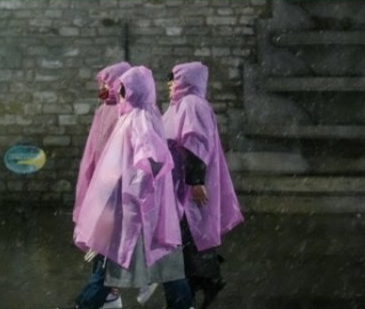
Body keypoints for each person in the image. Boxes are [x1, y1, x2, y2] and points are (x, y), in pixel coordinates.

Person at [64, 66, 193, 309]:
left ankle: (87, 304)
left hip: (134, 206)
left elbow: (151, 160)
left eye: (124, 89)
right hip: (140, 206)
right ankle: (182, 304)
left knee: (113, 260)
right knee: (162, 259)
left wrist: (137, 191)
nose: (120, 94)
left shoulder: (140, 118)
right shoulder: (140, 114)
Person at [162, 62, 243, 308]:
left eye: (174, 79)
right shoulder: (182, 105)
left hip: (186, 186)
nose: (169, 85)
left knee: (188, 236)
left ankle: (203, 282)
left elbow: (194, 143)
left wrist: (195, 181)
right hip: (180, 184)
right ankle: (201, 283)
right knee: (189, 237)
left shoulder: (190, 105)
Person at [72, 62, 131, 309]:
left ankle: (100, 293)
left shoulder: (124, 113)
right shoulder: (104, 111)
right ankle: (107, 292)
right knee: (102, 242)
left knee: (107, 244)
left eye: (108, 83)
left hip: (112, 188)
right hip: (102, 188)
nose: (103, 88)